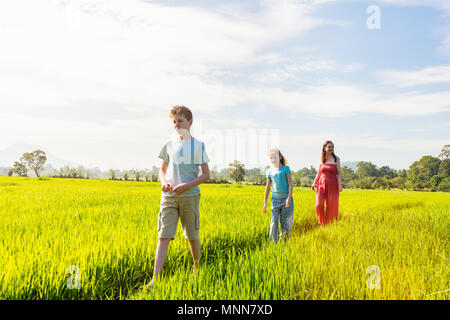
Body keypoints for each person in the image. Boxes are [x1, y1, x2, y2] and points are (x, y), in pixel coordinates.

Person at [140, 105, 210, 290]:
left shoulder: (198, 146)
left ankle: (197, 268)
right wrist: (163, 182)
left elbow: (206, 175)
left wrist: (186, 185)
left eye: (180, 121)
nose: (177, 124)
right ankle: (155, 279)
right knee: (163, 235)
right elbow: (162, 170)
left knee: (191, 235)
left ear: (190, 122)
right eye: (174, 121)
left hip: (190, 196)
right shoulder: (169, 145)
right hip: (168, 197)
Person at [263, 148, 293, 242]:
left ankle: (285, 242)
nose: (273, 159)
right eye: (271, 158)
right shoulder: (269, 171)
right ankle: (273, 243)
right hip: (274, 200)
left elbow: (290, 184)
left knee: (285, 222)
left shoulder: (285, 169)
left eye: (275, 157)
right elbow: (268, 187)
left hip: (286, 199)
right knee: (273, 222)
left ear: (280, 157)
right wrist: (265, 203)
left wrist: (288, 198)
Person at [311, 140, 342, 225]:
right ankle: (321, 222)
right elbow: (318, 173)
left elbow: (339, 173)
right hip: (321, 184)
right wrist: (314, 183)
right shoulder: (321, 159)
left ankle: (329, 224)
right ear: (324, 148)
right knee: (318, 204)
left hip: (333, 183)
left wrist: (340, 185)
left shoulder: (336, 159)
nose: (331, 148)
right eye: (329, 146)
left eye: (332, 147)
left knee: (331, 206)